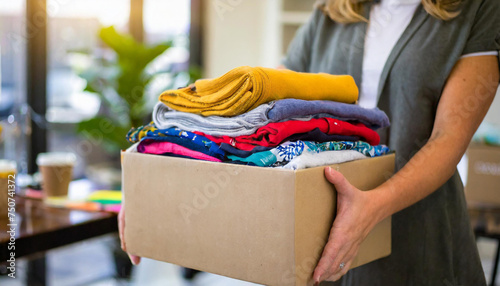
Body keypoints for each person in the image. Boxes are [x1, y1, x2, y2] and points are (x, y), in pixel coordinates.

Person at [119, 0, 499, 285]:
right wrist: (152, 175)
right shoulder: (334, 11)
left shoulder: (478, 9)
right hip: (318, 230)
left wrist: (372, 206)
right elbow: (263, 109)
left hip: (420, 238)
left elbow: (448, 140)